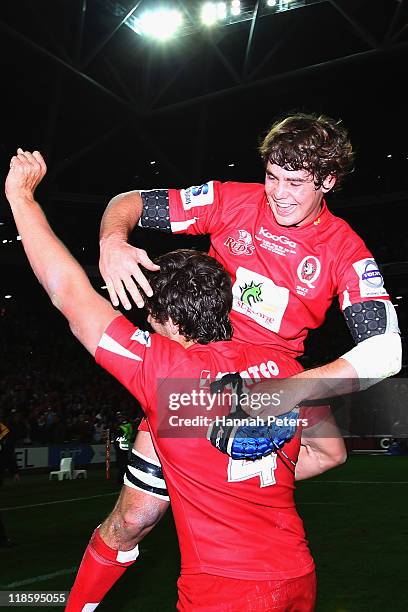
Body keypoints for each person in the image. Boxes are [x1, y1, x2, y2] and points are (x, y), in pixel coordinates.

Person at [5, 150, 347, 611]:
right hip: (296, 577)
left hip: (223, 590)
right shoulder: (288, 373)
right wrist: (243, 475)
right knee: (134, 516)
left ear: (165, 319)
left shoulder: (161, 370)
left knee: (135, 517)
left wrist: (20, 197)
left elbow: (66, 289)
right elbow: (331, 454)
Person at [94, 111, 402, 587]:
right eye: (272, 176)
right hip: (204, 361)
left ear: (329, 181)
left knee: (330, 454)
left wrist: (286, 390)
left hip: (275, 369)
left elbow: (386, 351)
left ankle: (202, 479)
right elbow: (129, 201)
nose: (278, 193)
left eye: (295, 182)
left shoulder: (345, 250)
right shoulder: (231, 201)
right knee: (134, 518)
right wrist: (112, 240)